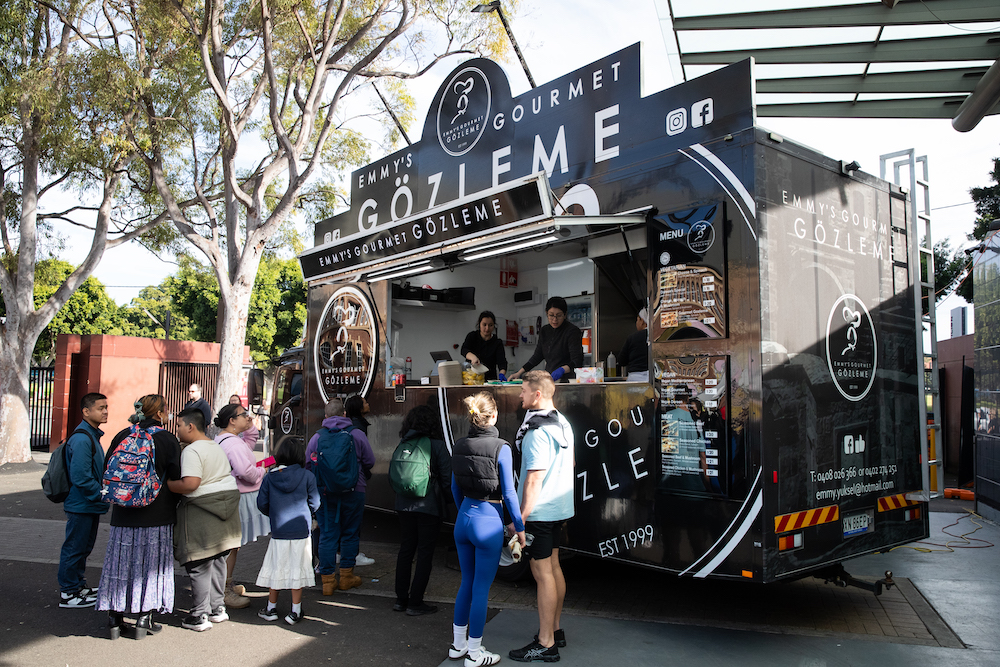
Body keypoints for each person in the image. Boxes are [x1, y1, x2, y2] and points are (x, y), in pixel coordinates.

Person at [96, 394, 182, 640]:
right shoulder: (167, 439)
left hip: (123, 514)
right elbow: (175, 477)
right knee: (150, 567)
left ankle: (114, 617)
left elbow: (107, 471)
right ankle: (144, 618)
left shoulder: (123, 435)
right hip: (157, 514)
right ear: (159, 414)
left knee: (119, 564)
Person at [450, 392, 525, 667]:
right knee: (482, 588)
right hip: (488, 520)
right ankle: (475, 652)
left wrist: (464, 513)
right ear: (493, 416)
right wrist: (519, 527)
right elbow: (509, 492)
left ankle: (458, 646)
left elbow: (454, 488)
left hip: (465, 519)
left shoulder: (459, 444)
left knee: (466, 583)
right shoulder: (501, 447)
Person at [508, 371, 575, 663]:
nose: (519, 395)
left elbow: (534, 479)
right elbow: (570, 462)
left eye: (523, 390)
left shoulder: (536, 432)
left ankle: (546, 643)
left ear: (537, 395)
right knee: (554, 567)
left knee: (542, 574)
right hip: (560, 508)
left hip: (540, 511)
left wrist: (519, 518)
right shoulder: (563, 423)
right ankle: (555, 630)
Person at [169, 408, 242, 632]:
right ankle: (217, 608)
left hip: (201, 514)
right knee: (219, 560)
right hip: (225, 512)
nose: (178, 430)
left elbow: (191, 484)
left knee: (199, 563)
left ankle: (199, 615)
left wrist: (168, 485)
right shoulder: (214, 446)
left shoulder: (192, 451)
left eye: (179, 425)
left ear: (190, 426)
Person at [306, 398, 375, 594]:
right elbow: (370, 461)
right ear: (345, 414)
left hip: (325, 493)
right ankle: (346, 577)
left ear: (325, 417)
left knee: (328, 535)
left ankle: (327, 581)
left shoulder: (317, 438)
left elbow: (308, 465)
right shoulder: (357, 434)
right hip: (355, 490)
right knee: (350, 533)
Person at [393, 405, 453, 616]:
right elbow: (447, 479)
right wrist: (450, 502)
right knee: (425, 553)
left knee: (406, 550)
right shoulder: (437, 446)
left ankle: (400, 599)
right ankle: (415, 601)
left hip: (403, 504)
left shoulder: (404, 442)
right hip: (429, 506)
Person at [255, 437, 321, 626]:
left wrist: (274, 513)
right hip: (301, 530)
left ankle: (271, 608)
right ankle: (295, 611)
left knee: (277, 568)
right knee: (297, 570)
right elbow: (315, 502)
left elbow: (262, 503)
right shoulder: (308, 476)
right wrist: (308, 513)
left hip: (279, 531)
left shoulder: (270, 476)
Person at [214, 403, 269, 609]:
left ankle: (225, 584)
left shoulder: (225, 439)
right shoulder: (233, 444)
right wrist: (261, 472)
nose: (247, 417)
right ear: (232, 420)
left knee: (231, 544)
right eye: (243, 415)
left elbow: (251, 437)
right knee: (230, 545)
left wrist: (249, 423)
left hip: (229, 496)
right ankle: (224, 589)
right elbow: (246, 472)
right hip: (237, 497)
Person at [58, 392, 110, 610]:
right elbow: (81, 476)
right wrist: (101, 493)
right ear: (86, 411)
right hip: (82, 504)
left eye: (106, 407)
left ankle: (77, 586)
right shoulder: (82, 438)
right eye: (100, 408)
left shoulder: (90, 435)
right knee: (75, 548)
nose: (105, 411)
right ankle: (69, 592)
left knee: (82, 548)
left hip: (88, 504)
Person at [509, 297, 583, 382]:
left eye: (559, 315)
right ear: (546, 313)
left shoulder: (572, 331)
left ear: (565, 314)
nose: (554, 319)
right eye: (551, 315)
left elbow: (577, 361)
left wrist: (562, 369)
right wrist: (519, 373)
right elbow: (537, 356)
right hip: (550, 379)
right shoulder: (544, 330)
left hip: (568, 380)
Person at [343, 394, 376, 566]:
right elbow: (368, 459)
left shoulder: (346, 426)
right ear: (358, 408)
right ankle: (352, 556)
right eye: (364, 403)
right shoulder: (358, 429)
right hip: (356, 480)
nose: (368, 404)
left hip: (342, 480)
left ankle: (340, 552)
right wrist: (366, 472)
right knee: (354, 521)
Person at [461, 311, 508, 381]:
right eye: (484, 325)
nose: (487, 328)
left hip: (490, 380)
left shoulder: (497, 342)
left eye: (490, 325)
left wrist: (502, 374)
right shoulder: (472, 336)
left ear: (494, 326)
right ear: (479, 324)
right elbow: (464, 350)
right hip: (472, 378)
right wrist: (473, 357)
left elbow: (502, 362)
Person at [618, 308, 649, 382]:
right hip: (651, 379)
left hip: (634, 378)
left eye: (637, 320)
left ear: (642, 321)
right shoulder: (656, 336)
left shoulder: (633, 338)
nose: (636, 323)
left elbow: (621, 361)